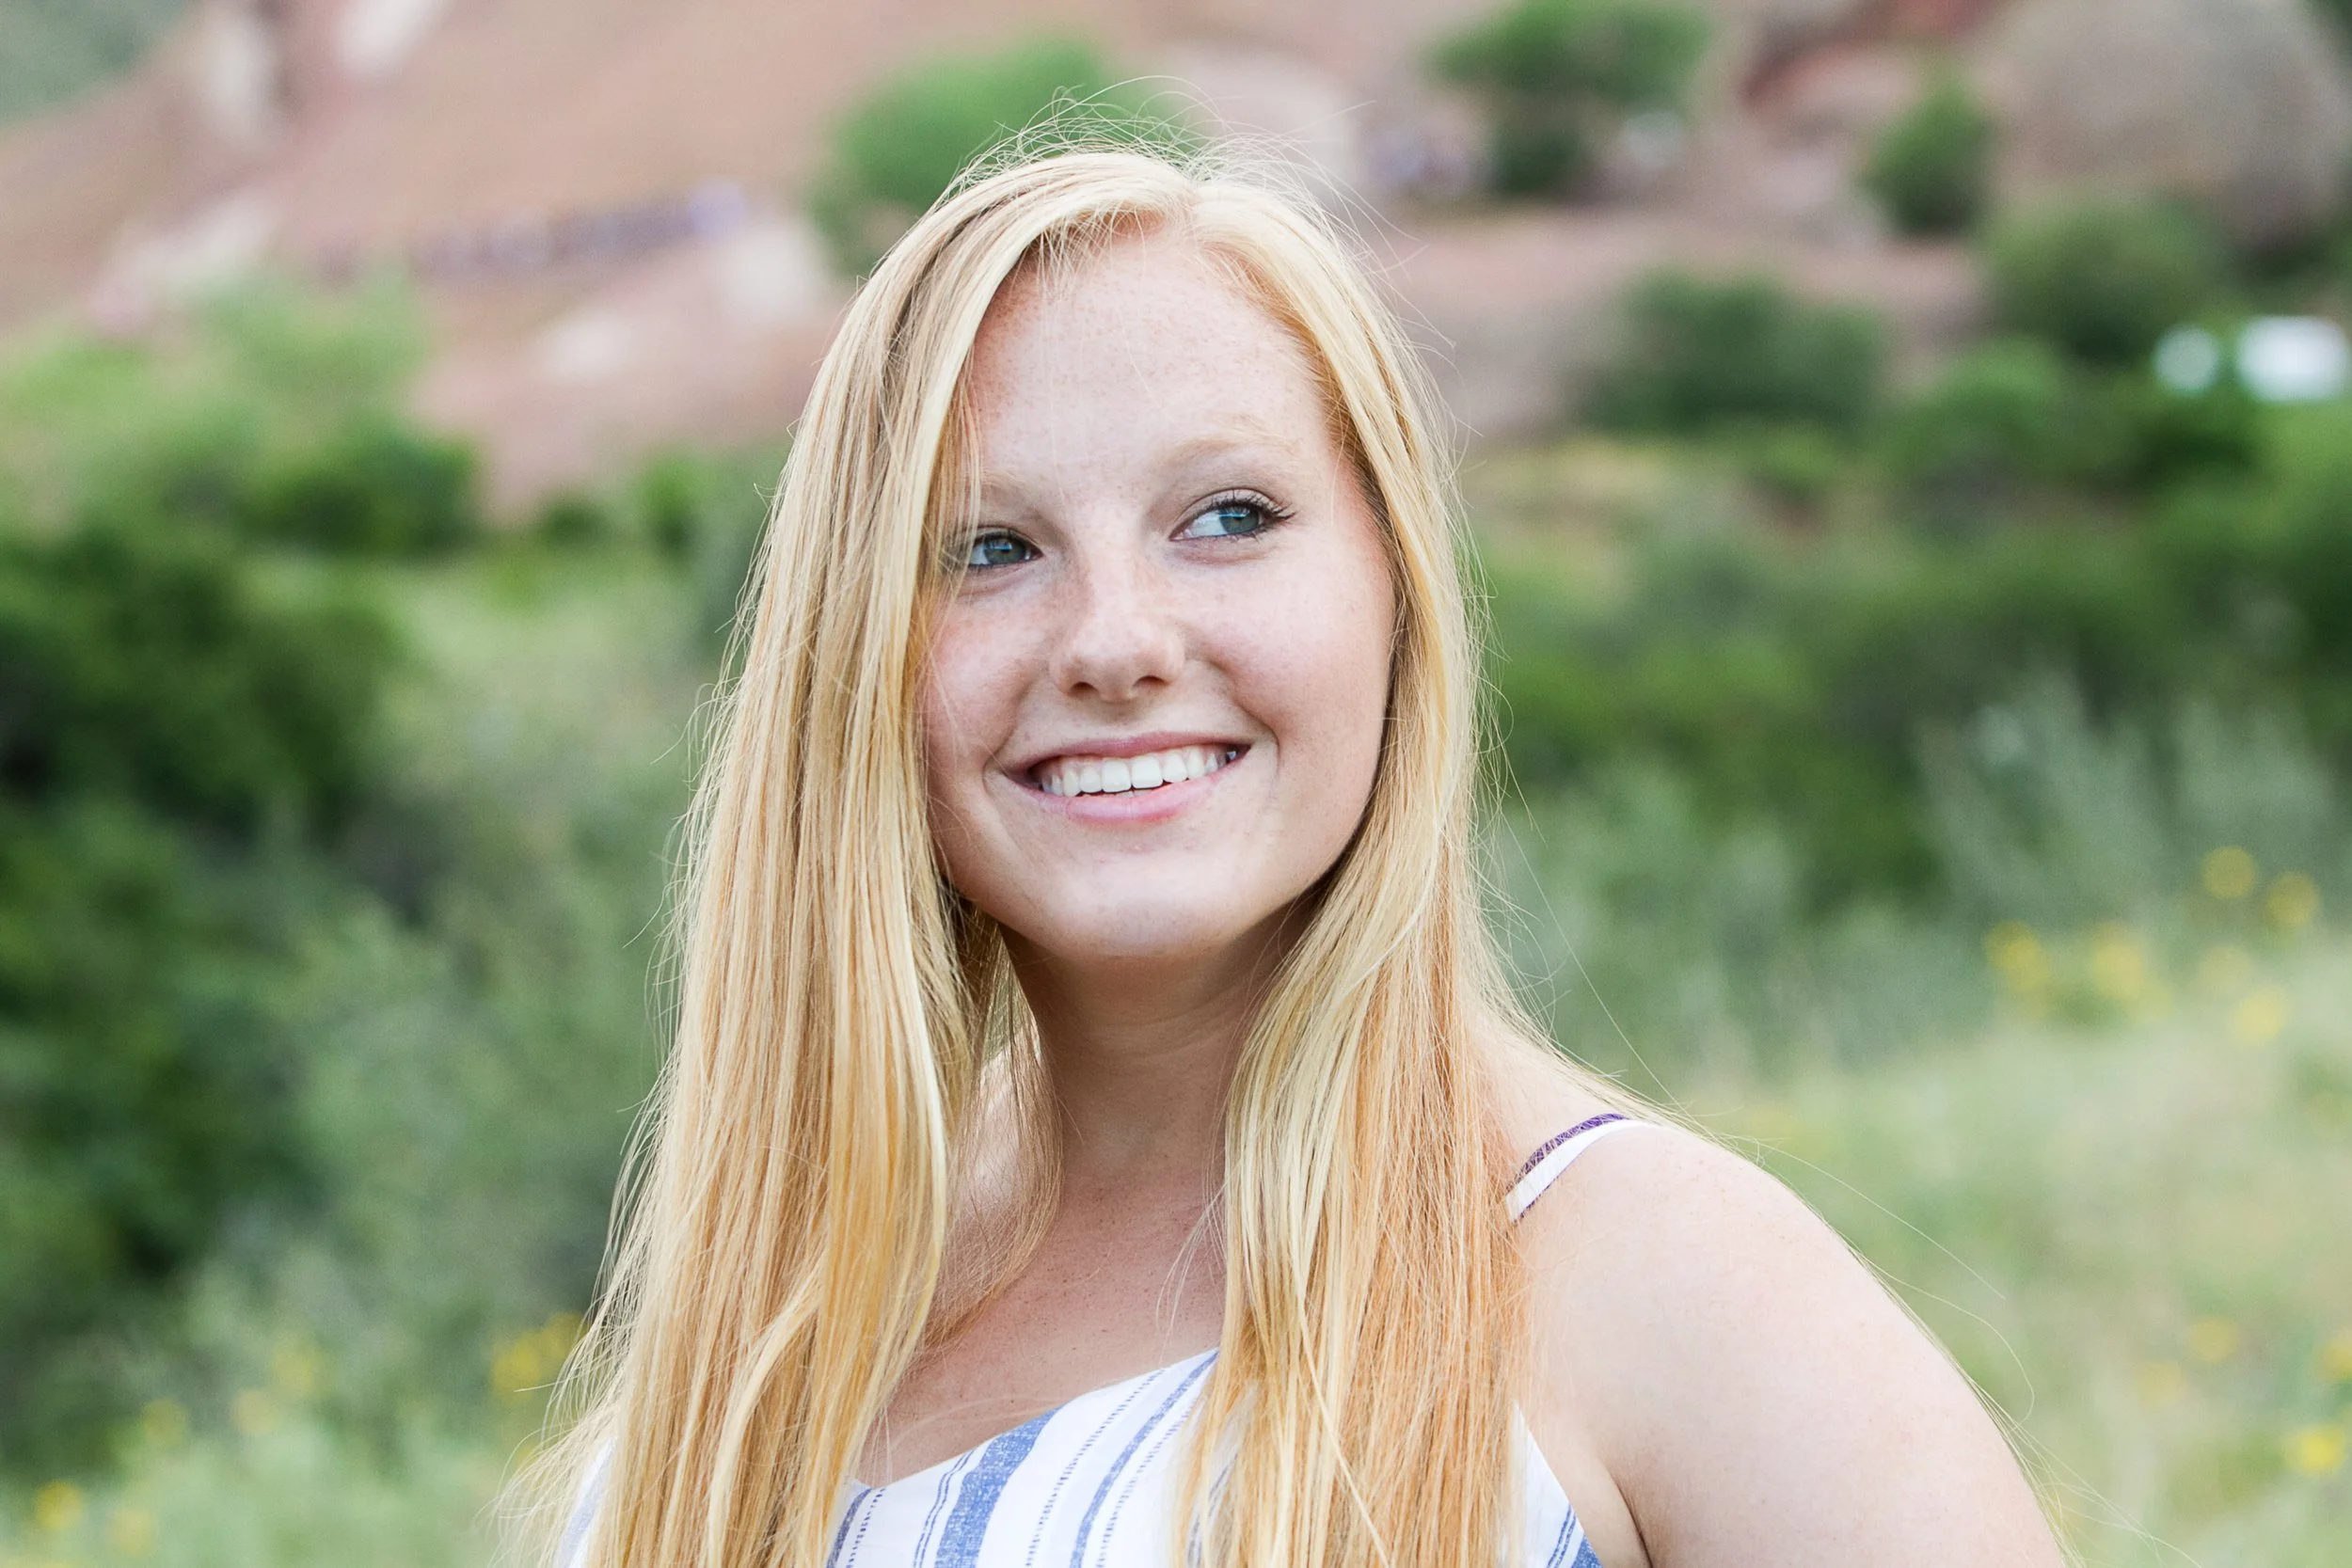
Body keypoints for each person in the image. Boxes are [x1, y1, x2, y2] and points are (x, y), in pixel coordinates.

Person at [521, 147, 2065, 1568]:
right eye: (991, 548)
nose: (1116, 642)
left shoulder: (1665, 1291)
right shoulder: (765, 1333)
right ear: (852, 662)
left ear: (1394, 592)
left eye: (1230, 515)